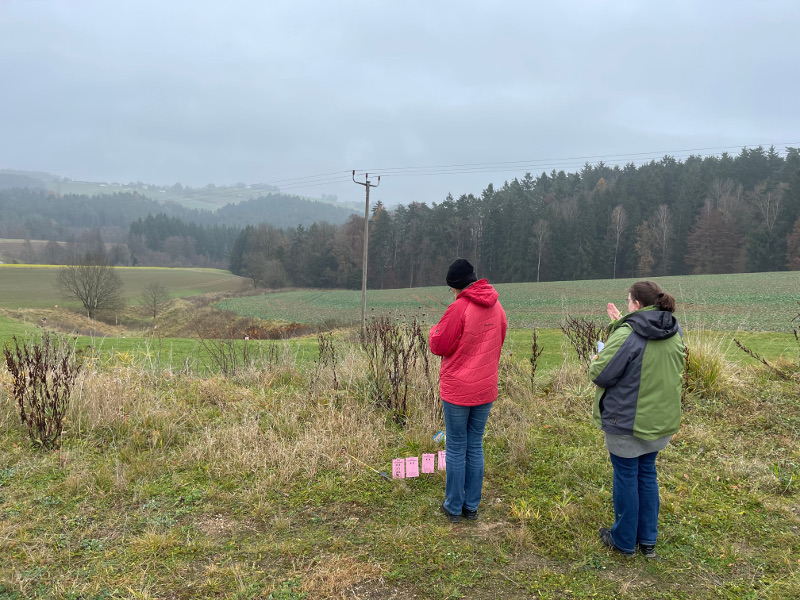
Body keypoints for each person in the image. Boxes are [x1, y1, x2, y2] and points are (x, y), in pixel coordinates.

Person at [589, 281, 684, 558]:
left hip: (627, 421)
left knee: (626, 476)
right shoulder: (672, 329)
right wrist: (620, 324)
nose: (628, 305)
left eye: (629, 301)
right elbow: (646, 351)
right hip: (659, 421)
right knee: (647, 474)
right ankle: (648, 542)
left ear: (637, 305)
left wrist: (598, 354)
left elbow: (601, 372)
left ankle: (624, 541)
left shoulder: (629, 332)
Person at [429, 258, 507, 523]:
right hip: (485, 387)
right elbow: (500, 338)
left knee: (456, 445)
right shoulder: (497, 306)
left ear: (455, 286)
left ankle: (453, 506)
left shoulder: (458, 307)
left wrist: (433, 331)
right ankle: (471, 506)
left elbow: (439, 345)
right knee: (475, 444)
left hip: (458, 390)